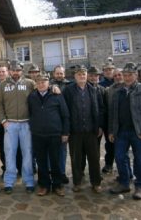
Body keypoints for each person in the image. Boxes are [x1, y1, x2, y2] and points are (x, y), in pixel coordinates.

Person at [109, 62, 141, 200]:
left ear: (136, 75)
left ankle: (139, 186)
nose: (127, 77)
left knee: (140, 160)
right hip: (121, 133)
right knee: (120, 158)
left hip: (139, 132)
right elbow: (113, 114)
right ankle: (124, 183)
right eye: (125, 75)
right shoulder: (117, 92)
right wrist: (112, 131)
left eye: (130, 75)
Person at [0, 60, 35, 194]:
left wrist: (53, 87)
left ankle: (29, 181)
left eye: (18, 70)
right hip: (10, 124)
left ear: (21, 71)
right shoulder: (3, 85)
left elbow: (41, 92)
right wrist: (3, 121)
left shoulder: (30, 83)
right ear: (9, 71)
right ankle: (9, 182)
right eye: (13, 70)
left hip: (26, 124)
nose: (15, 72)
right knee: (9, 153)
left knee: (27, 154)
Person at [28, 72, 70, 196]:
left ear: (48, 83)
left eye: (43, 82)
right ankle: (44, 185)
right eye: (39, 82)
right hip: (38, 134)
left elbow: (65, 115)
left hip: (54, 134)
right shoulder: (32, 97)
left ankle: (57, 185)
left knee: (55, 160)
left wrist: (65, 132)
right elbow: (30, 113)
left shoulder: (57, 95)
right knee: (41, 162)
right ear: (36, 84)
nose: (41, 84)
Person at [63, 65, 104, 193]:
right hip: (75, 132)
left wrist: (100, 126)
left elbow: (100, 109)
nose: (82, 76)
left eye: (84, 74)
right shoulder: (68, 91)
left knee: (94, 158)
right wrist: (66, 130)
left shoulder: (93, 90)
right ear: (75, 76)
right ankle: (77, 182)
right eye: (79, 74)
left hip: (91, 131)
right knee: (76, 159)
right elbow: (65, 112)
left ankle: (96, 183)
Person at [0, 65, 23, 178]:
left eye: (3, 71)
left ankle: (20, 168)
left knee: (18, 147)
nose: (1, 73)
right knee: (3, 148)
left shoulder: (13, 84)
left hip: (13, 121)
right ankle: (6, 169)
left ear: (8, 72)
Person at [50, 65, 71, 184]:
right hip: (51, 122)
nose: (59, 75)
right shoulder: (49, 85)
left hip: (65, 121)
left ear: (64, 74)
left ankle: (62, 172)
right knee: (50, 150)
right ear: (54, 74)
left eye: (61, 73)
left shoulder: (70, 86)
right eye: (57, 73)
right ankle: (51, 172)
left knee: (62, 150)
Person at [99, 57, 116, 174]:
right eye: (106, 70)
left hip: (116, 119)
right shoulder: (100, 85)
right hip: (104, 119)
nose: (108, 71)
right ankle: (107, 164)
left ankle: (114, 164)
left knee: (115, 143)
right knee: (104, 143)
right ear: (103, 72)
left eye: (110, 69)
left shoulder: (120, 82)